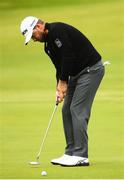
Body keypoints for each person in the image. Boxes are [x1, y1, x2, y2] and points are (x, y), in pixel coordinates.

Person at [20, 16, 105, 167]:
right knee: (66, 109)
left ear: (39, 27)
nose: (33, 39)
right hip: (75, 73)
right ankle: (70, 152)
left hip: (91, 70)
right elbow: (59, 66)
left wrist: (64, 82)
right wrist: (58, 87)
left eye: (33, 35)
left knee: (77, 109)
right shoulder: (47, 46)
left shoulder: (57, 30)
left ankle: (81, 155)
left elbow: (68, 56)